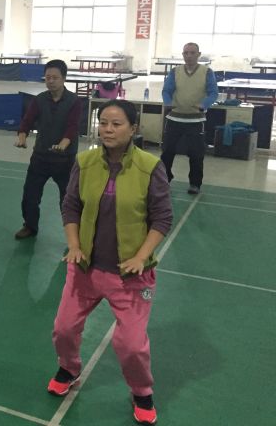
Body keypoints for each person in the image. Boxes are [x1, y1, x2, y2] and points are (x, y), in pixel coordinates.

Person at [48, 100, 172, 426]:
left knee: (131, 346)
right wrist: (74, 246)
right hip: (86, 268)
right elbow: (70, 206)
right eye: (103, 122)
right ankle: (69, 368)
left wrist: (141, 257)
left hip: (130, 276)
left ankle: (141, 391)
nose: (108, 129)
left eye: (116, 124)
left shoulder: (150, 167)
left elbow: (162, 218)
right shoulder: (85, 162)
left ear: (133, 129)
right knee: (63, 329)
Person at [14, 59, 82, 239]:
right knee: (30, 196)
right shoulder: (39, 99)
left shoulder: (74, 101)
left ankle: (74, 236)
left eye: (55, 77)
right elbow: (27, 121)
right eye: (48, 77)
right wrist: (22, 137)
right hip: (40, 157)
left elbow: (73, 127)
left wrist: (63, 145)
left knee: (67, 201)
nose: (50, 81)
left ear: (64, 78)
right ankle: (30, 226)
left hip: (65, 160)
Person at [160, 42, 218, 194]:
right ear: (182, 55)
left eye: (192, 53)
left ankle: (195, 184)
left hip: (196, 121)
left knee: (196, 154)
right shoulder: (175, 72)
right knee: (167, 152)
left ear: (199, 54)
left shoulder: (207, 72)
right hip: (174, 119)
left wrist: (204, 104)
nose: (189, 56)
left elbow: (213, 93)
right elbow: (166, 90)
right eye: (186, 53)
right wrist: (168, 103)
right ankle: (164, 180)